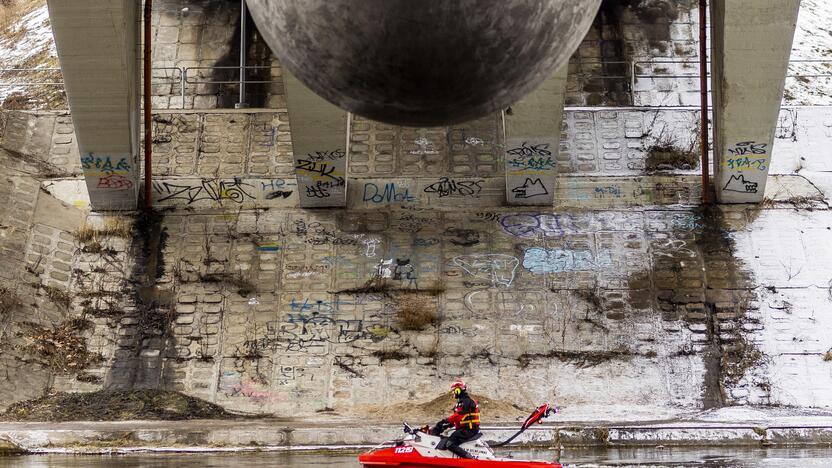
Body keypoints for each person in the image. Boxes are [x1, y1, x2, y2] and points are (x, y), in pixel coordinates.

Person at [432, 379, 480, 459]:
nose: (453, 393)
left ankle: (471, 459)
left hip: (469, 430)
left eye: (454, 390)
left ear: (458, 390)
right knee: (445, 439)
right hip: (464, 429)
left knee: (449, 444)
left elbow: (458, 416)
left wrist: (445, 421)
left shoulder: (466, 401)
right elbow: (457, 419)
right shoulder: (461, 402)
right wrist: (445, 426)